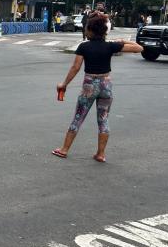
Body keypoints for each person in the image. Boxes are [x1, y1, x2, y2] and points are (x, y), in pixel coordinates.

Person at [51, 13, 144, 163]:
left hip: (89, 84)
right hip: (106, 85)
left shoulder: (84, 47)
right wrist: (121, 41)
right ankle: (100, 154)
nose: (85, 30)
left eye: (86, 28)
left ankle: (64, 149)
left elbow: (75, 68)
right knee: (103, 119)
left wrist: (64, 84)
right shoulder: (110, 46)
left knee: (78, 117)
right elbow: (139, 48)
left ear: (91, 30)